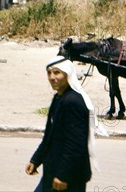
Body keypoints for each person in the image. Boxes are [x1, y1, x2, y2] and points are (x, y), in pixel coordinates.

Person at [26, 55, 98, 192]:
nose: (52, 77)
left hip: (68, 176)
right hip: (54, 171)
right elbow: (49, 136)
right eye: (49, 73)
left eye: (57, 72)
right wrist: (36, 160)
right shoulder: (59, 98)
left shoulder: (72, 102)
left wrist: (63, 175)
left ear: (67, 74)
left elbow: (76, 143)